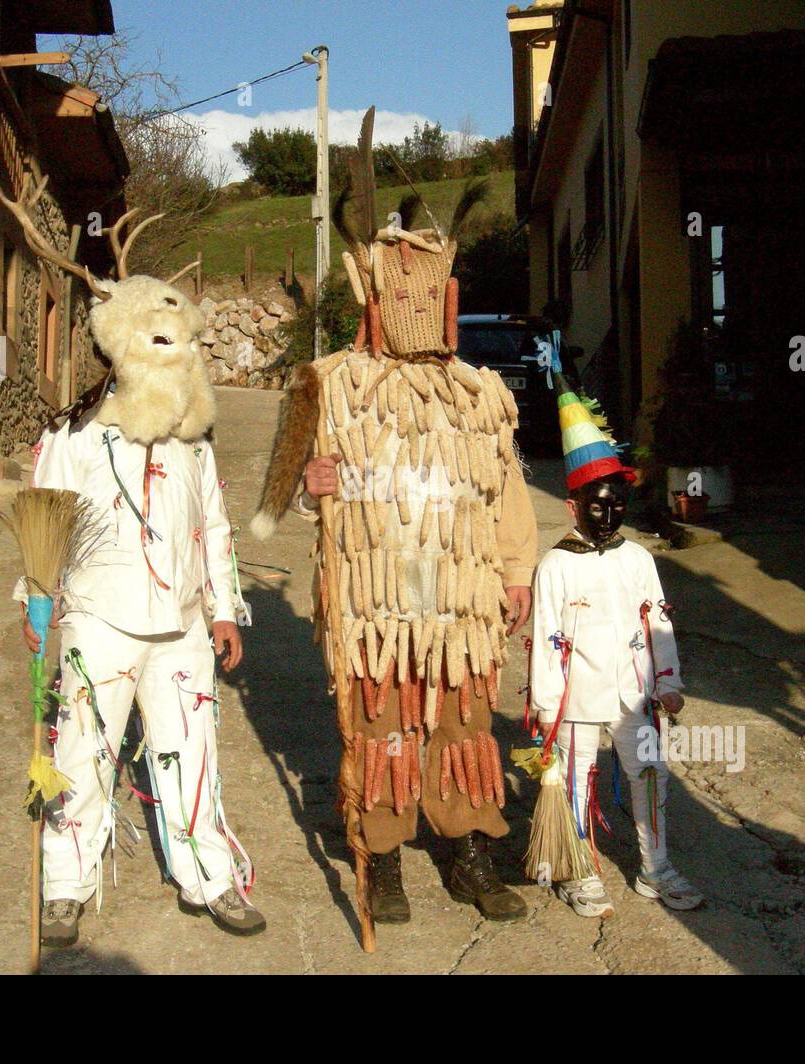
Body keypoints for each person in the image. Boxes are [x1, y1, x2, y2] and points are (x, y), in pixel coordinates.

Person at [251, 108, 538, 924]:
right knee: (379, 721)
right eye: (398, 283)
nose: (412, 295)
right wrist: (310, 483)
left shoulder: (480, 394)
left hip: (461, 591)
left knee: (462, 714)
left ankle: (470, 845)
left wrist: (516, 574)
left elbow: (506, 492)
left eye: (426, 283)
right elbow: (279, 501)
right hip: (373, 591)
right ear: (374, 290)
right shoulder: (325, 383)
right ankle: (380, 855)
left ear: (445, 293)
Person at [1, 179, 261, 946]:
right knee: (83, 749)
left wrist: (222, 606)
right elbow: (43, 519)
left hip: (180, 625)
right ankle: (65, 886)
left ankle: (210, 877)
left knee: (192, 752)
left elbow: (212, 522)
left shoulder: (192, 438)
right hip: (98, 620)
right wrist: (37, 602)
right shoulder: (72, 438)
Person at [529, 378, 703, 917]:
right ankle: (579, 870)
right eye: (597, 506)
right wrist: (544, 706)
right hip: (575, 701)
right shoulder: (554, 565)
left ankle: (657, 868)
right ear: (572, 505)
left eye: (617, 505)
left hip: (635, 695)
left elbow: (659, 623)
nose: (608, 517)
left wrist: (668, 681)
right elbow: (544, 640)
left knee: (650, 776)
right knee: (578, 781)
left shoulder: (639, 560)